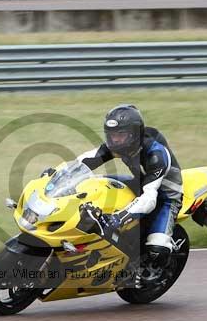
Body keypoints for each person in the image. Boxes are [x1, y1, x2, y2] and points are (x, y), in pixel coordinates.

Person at [77, 104, 183, 266]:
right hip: (138, 183)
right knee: (92, 183)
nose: (115, 140)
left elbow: (149, 199)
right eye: (111, 135)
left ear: (134, 134)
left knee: (157, 249)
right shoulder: (118, 146)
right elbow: (84, 161)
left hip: (165, 196)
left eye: (121, 134)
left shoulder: (156, 155)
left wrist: (118, 218)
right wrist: (58, 173)